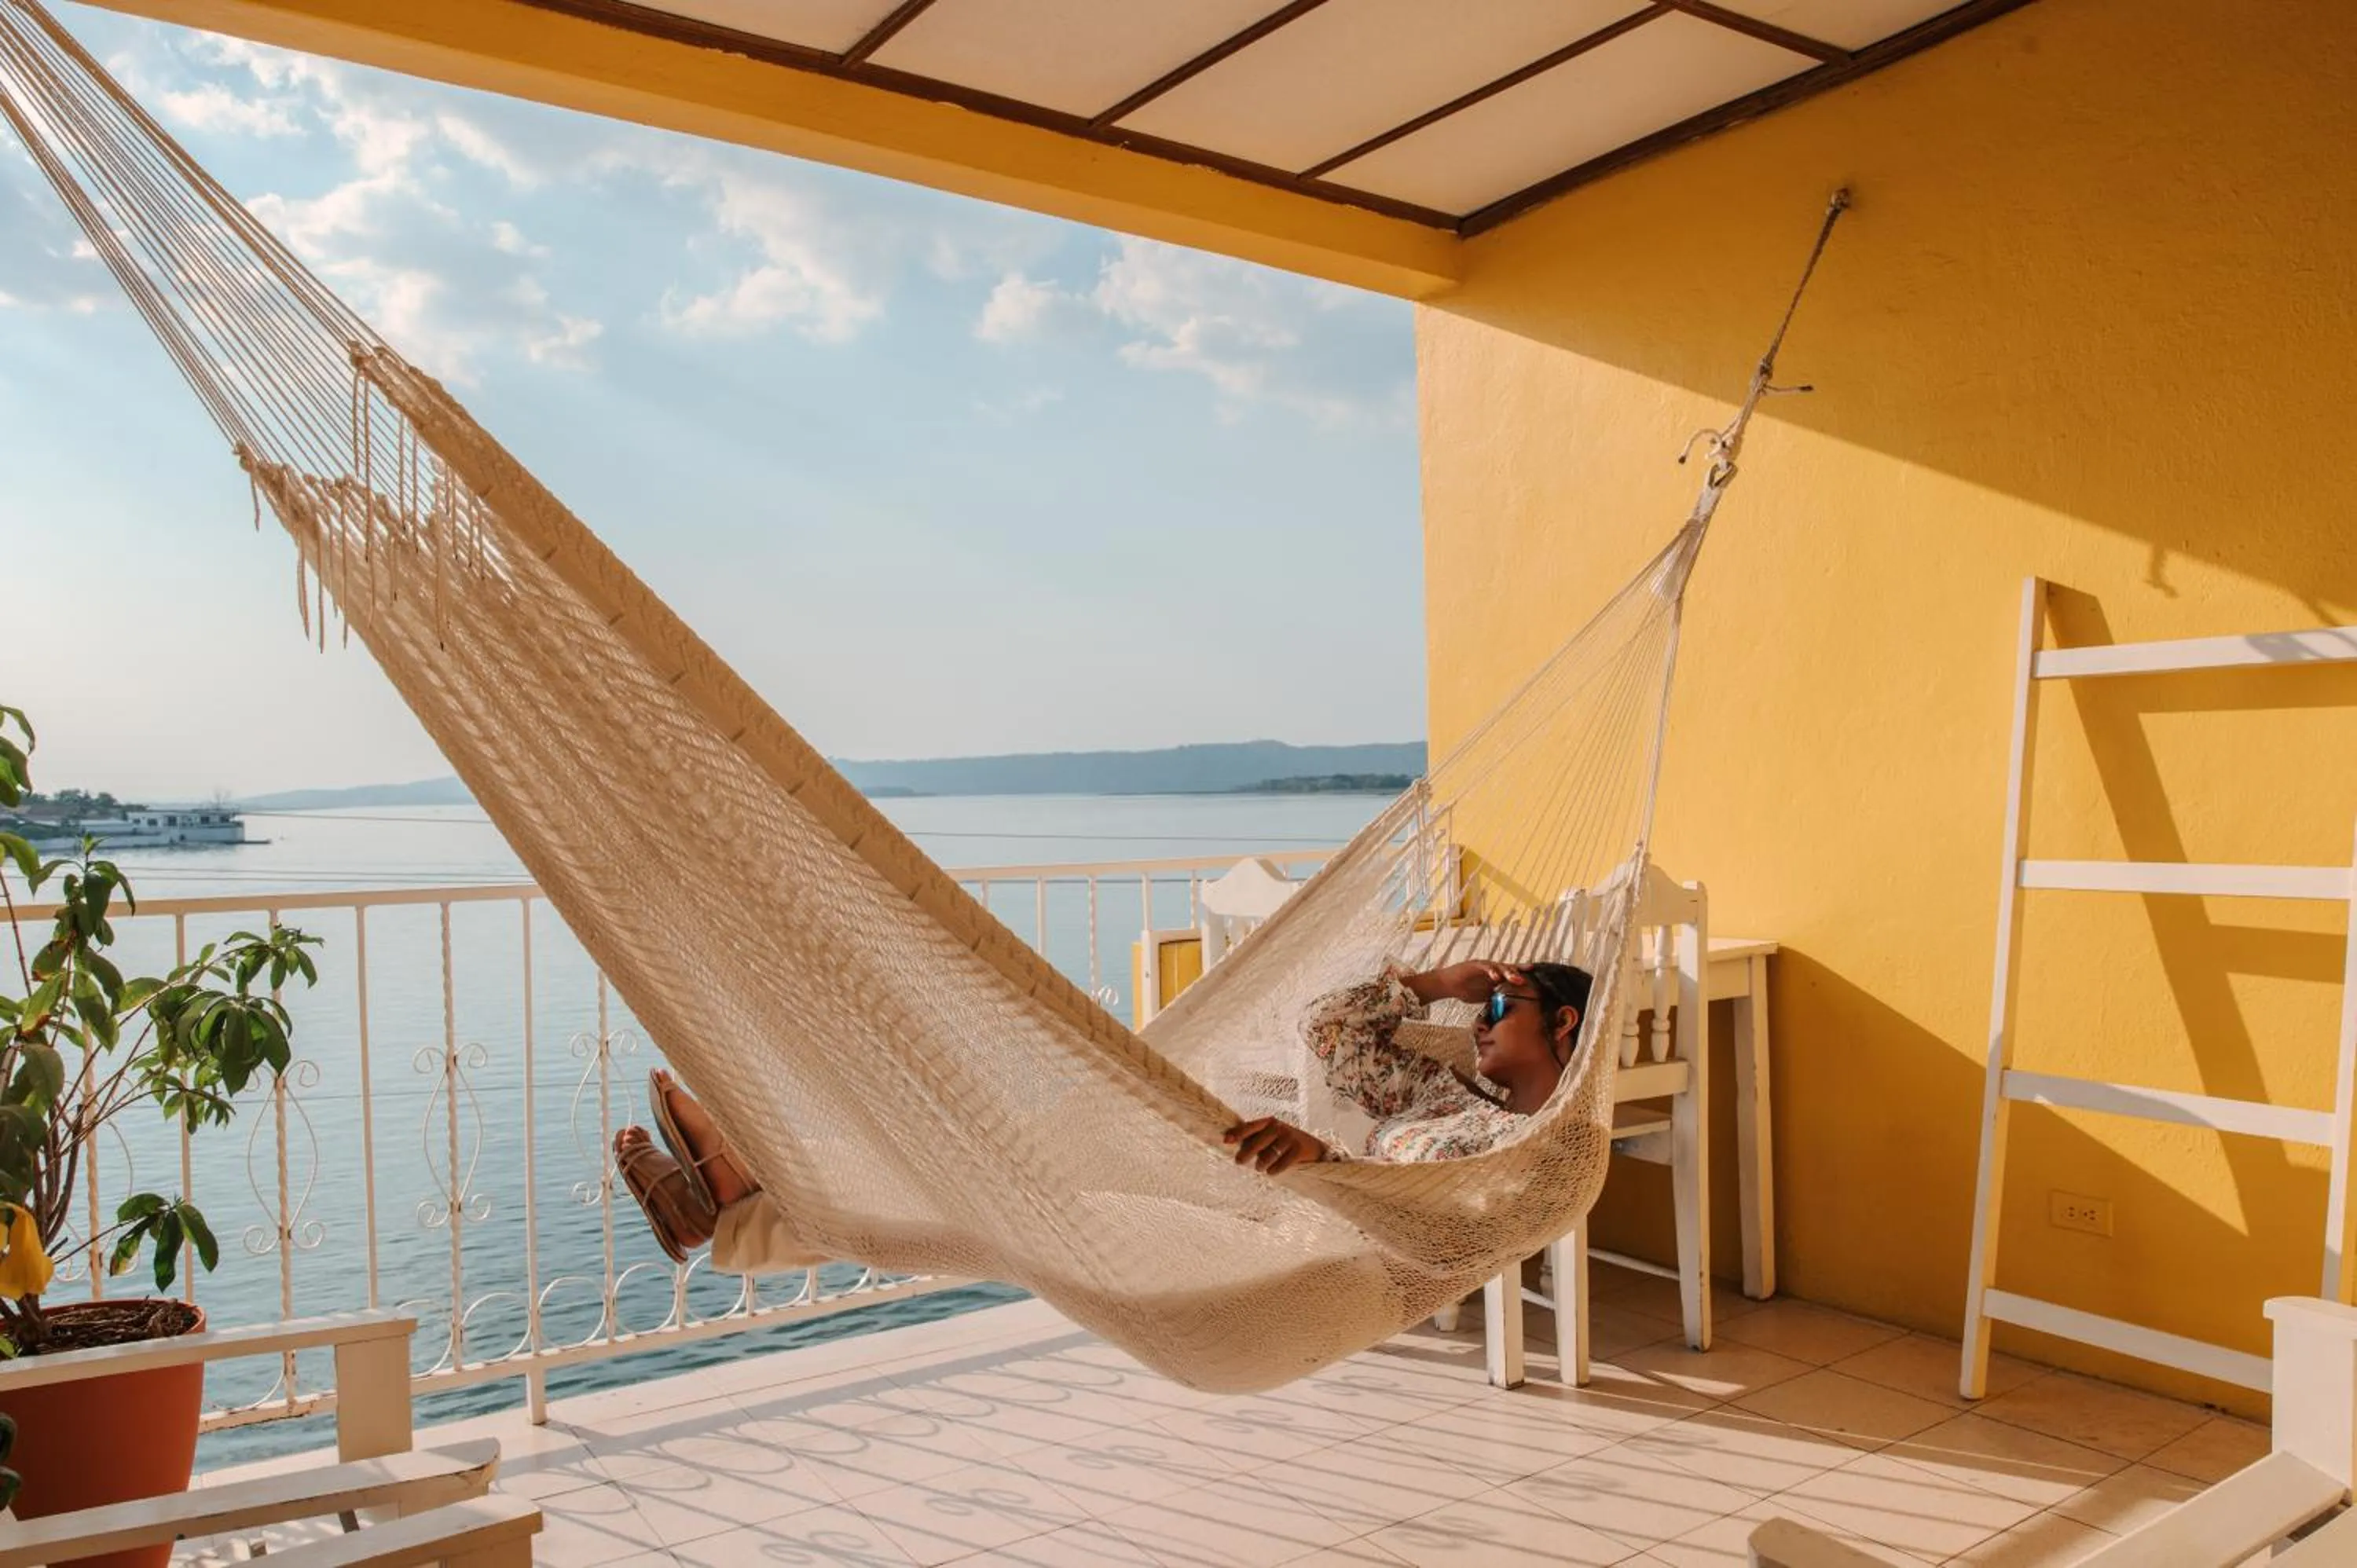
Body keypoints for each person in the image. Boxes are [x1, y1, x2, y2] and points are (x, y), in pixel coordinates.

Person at [610, 958, 1593, 1266]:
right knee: (996, 1164)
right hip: (1270, 1182)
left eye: (1500, 1008)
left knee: (1004, 1181)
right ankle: (739, 1202)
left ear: (1567, 1025)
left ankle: (737, 1196)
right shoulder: (1441, 1090)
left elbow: (1448, 1211)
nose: (1478, 1018)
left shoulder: (1518, 1142)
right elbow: (1329, 1027)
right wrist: (1432, 980)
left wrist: (1326, 1162)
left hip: (1301, 1218)